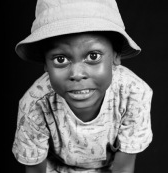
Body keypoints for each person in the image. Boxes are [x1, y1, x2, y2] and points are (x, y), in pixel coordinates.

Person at [12, 0, 153, 172]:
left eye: (93, 56)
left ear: (116, 55)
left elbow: (123, 168)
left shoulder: (134, 93)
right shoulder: (34, 104)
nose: (77, 74)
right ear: (45, 64)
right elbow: (35, 170)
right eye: (60, 59)